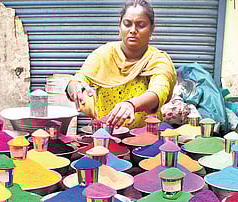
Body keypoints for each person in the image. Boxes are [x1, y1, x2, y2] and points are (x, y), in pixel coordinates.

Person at [66, 0, 176, 129]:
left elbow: (158, 92)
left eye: (141, 25)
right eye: (127, 24)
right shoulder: (104, 54)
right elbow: (76, 80)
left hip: (145, 137)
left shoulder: (158, 59)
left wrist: (131, 105)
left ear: (152, 29)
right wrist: (76, 89)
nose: (133, 30)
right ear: (120, 28)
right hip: (105, 137)